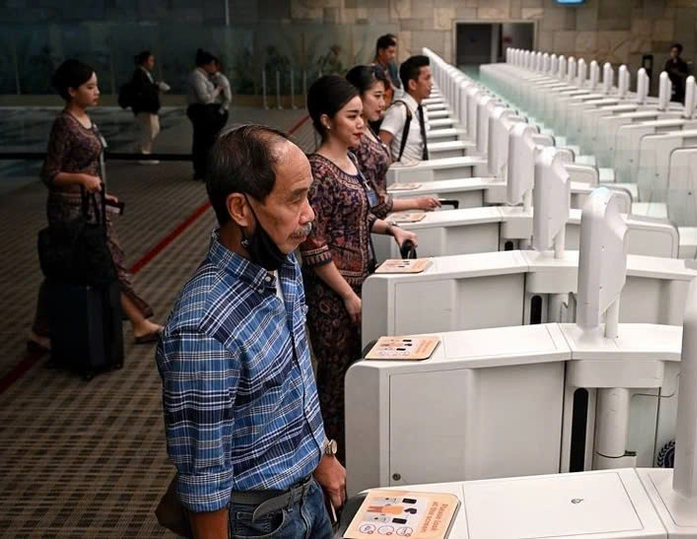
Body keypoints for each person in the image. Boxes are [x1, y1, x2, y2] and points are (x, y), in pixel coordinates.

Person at [155, 125, 345, 539]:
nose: (310, 212)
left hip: (306, 494)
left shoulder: (281, 260)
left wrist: (322, 455)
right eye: (295, 198)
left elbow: (298, 377)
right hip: (258, 521)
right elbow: (204, 476)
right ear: (241, 210)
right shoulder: (204, 330)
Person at [300, 75, 418, 461]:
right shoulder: (317, 171)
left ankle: (352, 461)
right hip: (332, 296)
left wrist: (392, 227)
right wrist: (349, 294)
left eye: (359, 115)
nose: (360, 123)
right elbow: (313, 243)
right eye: (351, 117)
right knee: (336, 382)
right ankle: (327, 463)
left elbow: (361, 213)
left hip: (359, 286)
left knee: (356, 377)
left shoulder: (349, 161)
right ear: (325, 120)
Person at [28, 59, 162, 352]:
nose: (97, 91)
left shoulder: (86, 119)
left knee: (72, 269)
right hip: (69, 210)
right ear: (71, 91)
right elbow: (49, 174)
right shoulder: (64, 124)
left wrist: (101, 193)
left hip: (91, 205)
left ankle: (40, 331)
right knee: (98, 264)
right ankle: (139, 323)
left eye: (96, 85)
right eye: (90, 86)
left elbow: (89, 167)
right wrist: (82, 180)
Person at [346, 64, 441, 215]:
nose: (382, 103)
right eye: (377, 96)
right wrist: (416, 203)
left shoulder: (367, 129)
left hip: (378, 219)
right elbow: (370, 199)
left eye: (383, 96)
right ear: (357, 95)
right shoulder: (355, 139)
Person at [379, 55, 433, 164]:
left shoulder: (420, 110)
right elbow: (381, 146)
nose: (431, 83)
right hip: (404, 176)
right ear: (412, 84)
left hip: (420, 172)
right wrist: (393, 170)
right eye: (427, 78)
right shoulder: (399, 110)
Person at [187, 48, 225, 180]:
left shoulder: (203, 76)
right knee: (203, 141)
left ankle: (204, 169)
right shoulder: (197, 76)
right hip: (200, 111)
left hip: (204, 110)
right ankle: (202, 171)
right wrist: (217, 90)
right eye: (213, 64)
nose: (214, 67)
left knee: (205, 140)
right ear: (206, 64)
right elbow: (205, 98)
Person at [130, 50, 168, 164]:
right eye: (151, 61)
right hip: (145, 108)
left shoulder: (145, 74)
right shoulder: (139, 74)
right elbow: (144, 91)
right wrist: (156, 87)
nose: (152, 63)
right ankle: (144, 155)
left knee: (153, 129)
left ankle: (140, 149)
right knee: (150, 130)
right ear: (145, 62)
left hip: (148, 108)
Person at [211, 56, 231, 128]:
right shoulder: (209, 78)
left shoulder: (222, 79)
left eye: (212, 65)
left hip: (219, 110)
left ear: (217, 66)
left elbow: (228, 98)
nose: (210, 67)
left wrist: (220, 112)